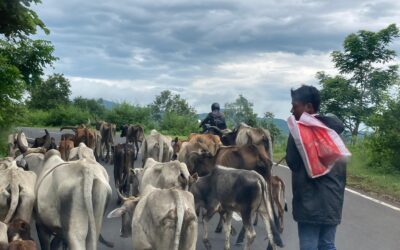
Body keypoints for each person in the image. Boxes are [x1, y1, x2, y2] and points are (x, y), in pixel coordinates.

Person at [286, 85, 347, 250]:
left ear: (308, 107)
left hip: (308, 203)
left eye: (295, 105)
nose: (292, 110)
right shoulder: (334, 131)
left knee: (309, 246)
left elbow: (292, 162)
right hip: (333, 201)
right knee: (327, 245)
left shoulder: (298, 133)